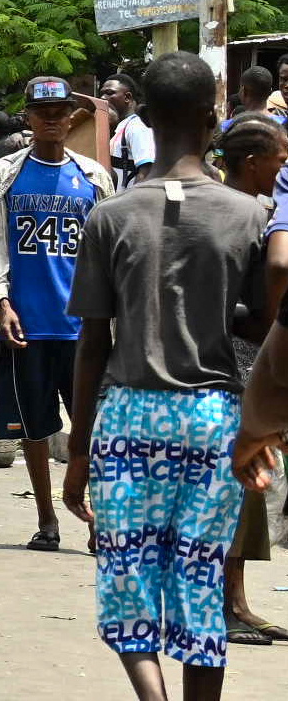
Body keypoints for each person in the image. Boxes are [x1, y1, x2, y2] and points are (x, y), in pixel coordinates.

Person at [62, 52, 271, 699]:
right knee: (199, 583)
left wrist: (77, 452)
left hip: (128, 416)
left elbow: (92, 345)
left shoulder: (109, 216)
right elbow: (261, 325)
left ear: (146, 119)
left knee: (127, 580)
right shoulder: (249, 214)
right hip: (213, 419)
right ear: (213, 118)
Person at [0, 75, 112, 554]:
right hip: (25, 324)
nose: (51, 119)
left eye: (59, 112)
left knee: (92, 428)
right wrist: (1, 304)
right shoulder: (5, 173)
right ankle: (47, 518)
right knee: (34, 429)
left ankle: (97, 519)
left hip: (84, 329)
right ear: (28, 116)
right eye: (41, 112)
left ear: (70, 118)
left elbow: (108, 251)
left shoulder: (93, 177)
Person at [216, 114, 288, 646]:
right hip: (238, 361)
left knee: (249, 488)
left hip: (247, 356)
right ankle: (226, 603)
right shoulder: (239, 217)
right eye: (278, 159)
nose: (282, 167)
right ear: (251, 162)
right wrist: (267, 322)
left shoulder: (255, 212)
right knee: (237, 485)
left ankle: (237, 600)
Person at [102, 73, 156, 188]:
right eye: (102, 93)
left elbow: (146, 172)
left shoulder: (137, 126)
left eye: (109, 93)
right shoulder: (123, 127)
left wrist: (134, 198)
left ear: (127, 97)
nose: (103, 98)